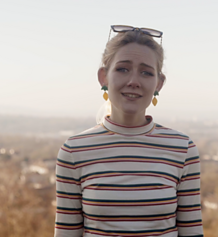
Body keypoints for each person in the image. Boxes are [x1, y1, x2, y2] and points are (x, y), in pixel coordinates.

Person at [55, 25, 203, 237]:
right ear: (103, 77)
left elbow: (192, 232)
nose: (134, 81)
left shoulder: (183, 149)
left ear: (158, 84)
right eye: (123, 69)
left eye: (146, 72)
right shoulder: (73, 151)